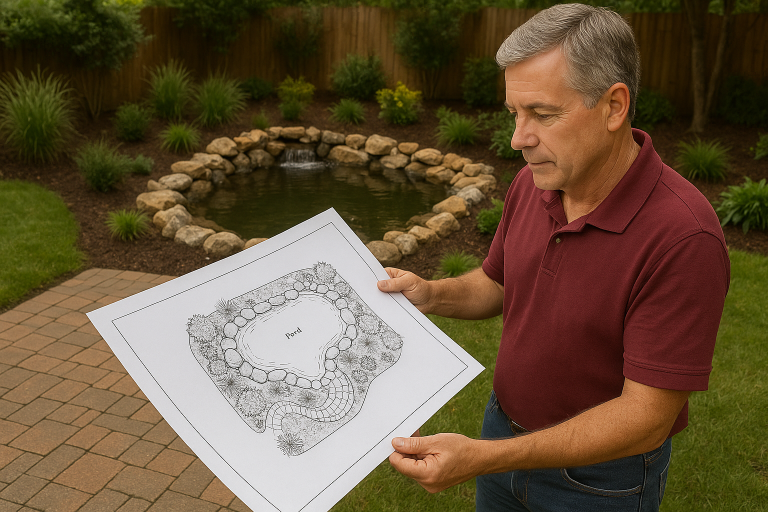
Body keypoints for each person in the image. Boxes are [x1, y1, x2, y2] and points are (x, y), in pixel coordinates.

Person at [376, 4, 730, 511]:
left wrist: (485, 458)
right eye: (514, 114)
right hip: (501, 430)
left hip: (599, 480)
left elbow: (647, 417)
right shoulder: (535, 182)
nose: (518, 139)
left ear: (614, 106)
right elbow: (497, 283)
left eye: (542, 114)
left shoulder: (683, 237)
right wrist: (431, 294)